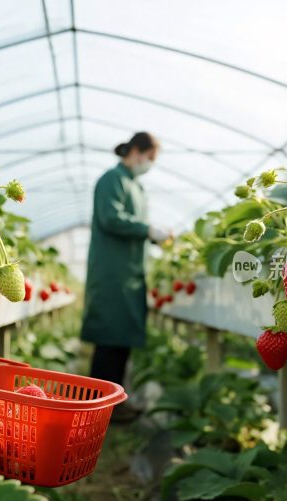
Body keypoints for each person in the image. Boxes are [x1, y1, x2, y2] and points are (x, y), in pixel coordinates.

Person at [81, 132, 170, 409]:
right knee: (109, 341)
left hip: (130, 274)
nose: (150, 164)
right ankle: (96, 406)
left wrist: (152, 235)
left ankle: (113, 404)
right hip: (112, 274)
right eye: (149, 157)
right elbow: (111, 218)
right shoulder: (112, 180)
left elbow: (133, 226)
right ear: (135, 151)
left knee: (121, 341)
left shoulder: (136, 186)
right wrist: (147, 230)